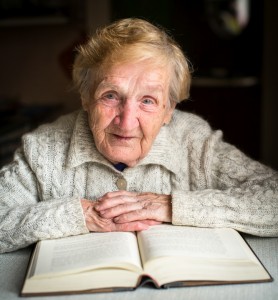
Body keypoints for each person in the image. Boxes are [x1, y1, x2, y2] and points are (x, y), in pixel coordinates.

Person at [0, 18, 277, 254]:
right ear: (85, 98)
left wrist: (172, 205)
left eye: (148, 101)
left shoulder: (194, 143)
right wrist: (77, 214)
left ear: (169, 109)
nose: (127, 120)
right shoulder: (44, 149)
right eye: (110, 96)